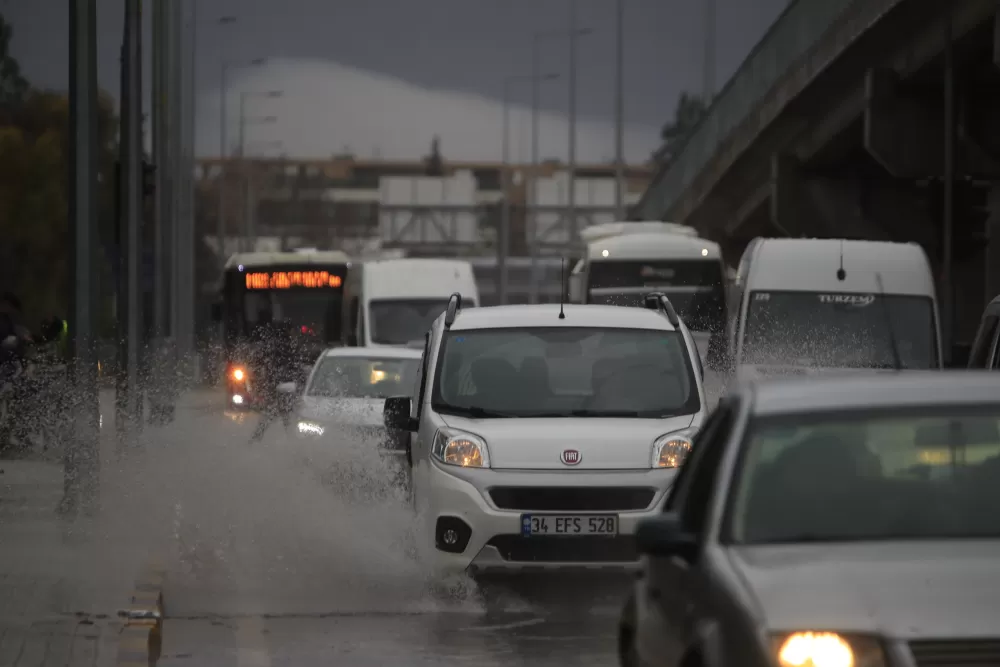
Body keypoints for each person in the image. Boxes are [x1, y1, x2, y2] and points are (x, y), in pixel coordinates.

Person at [249, 317, 299, 442]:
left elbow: (265, 362)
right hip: (285, 385)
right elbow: (293, 367)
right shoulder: (288, 346)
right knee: (282, 413)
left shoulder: (276, 345)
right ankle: (292, 439)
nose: (294, 333)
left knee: (274, 412)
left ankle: (258, 435)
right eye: (293, 330)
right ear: (289, 331)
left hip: (277, 384)